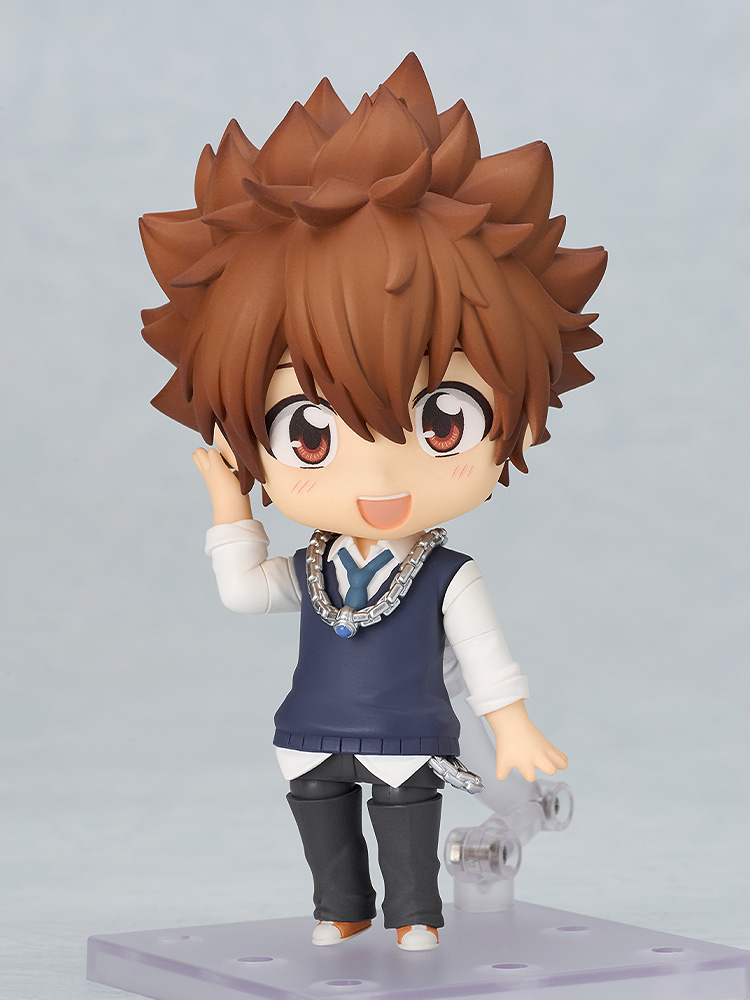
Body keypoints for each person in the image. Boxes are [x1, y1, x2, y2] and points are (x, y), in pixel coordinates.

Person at [140, 53, 606, 952]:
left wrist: (510, 722)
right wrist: (230, 507)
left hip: (406, 735)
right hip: (310, 727)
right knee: (320, 823)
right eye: (311, 434)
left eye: (443, 423)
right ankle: (339, 909)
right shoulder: (313, 565)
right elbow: (244, 592)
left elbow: (484, 658)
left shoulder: (447, 574)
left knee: (406, 829)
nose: (383, 478)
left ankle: (415, 917)